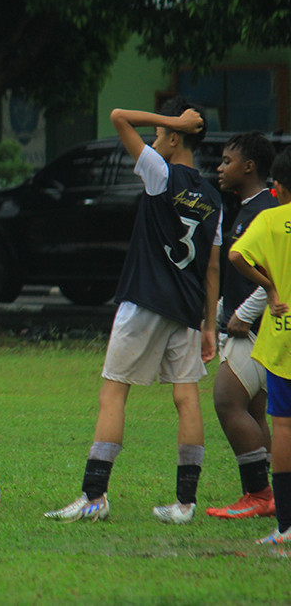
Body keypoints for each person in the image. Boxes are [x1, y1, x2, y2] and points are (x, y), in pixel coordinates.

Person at [44, 98, 222, 525]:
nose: (154, 139)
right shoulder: (215, 197)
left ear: (175, 136)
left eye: (161, 134)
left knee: (113, 391)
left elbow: (118, 116)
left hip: (144, 301)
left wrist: (170, 119)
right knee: (186, 397)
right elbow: (212, 266)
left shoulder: (161, 173)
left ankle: (93, 496)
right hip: (186, 308)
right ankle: (184, 504)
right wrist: (210, 324)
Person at [205, 133, 277, 519]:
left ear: (248, 167)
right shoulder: (250, 208)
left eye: (226, 160)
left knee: (227, 402)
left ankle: (260, 493)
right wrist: (219, 311)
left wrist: (242, 315)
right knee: (253, 411)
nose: (219, 167)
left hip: (254, 331)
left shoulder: (265, 212)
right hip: (249, 329)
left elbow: (274, 276)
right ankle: (270, 493)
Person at [229, 148, 291, 544]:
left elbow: (236, 255)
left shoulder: (270, 219)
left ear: (278, 185)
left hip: (283, 333)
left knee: (283, 427)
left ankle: (286, 527)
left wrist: (269, 286)